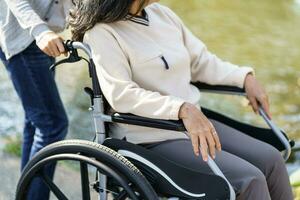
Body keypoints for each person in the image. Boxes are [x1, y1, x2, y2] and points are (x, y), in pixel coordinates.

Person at [70, 0, 293, 199]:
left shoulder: (163, 15)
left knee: (271, 160)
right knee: (249, 179)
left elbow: (201, 62)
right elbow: (121, 94)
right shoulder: (102, 33)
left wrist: (244, 78)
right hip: (150, 137)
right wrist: (180, 108)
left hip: (195, 125)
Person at [0, 0, 71, 199]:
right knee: (52, 125)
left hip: (46, 36)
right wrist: (39, 31)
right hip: (24, 38)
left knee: (36, 123)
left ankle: (25, 195)